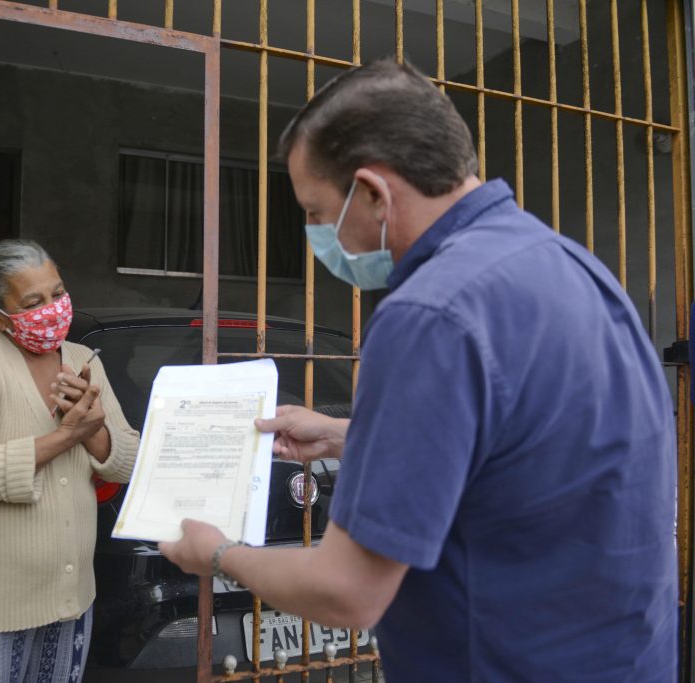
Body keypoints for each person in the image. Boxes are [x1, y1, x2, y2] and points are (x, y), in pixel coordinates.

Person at [160, 59, 677, 681]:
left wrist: (218, 552)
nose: (315, 233)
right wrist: (350, 434)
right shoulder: (570, 266)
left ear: (374, 193)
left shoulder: (431, 313)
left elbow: (349, 591)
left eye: (316, 211)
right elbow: (532, 447)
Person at [0, 239, 138, 683]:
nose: (53, 308)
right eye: (33, 301)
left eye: (58, 294)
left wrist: (94, 431)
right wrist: (64, 437)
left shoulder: (82, 360)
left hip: (69, 601)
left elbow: (130, 462)